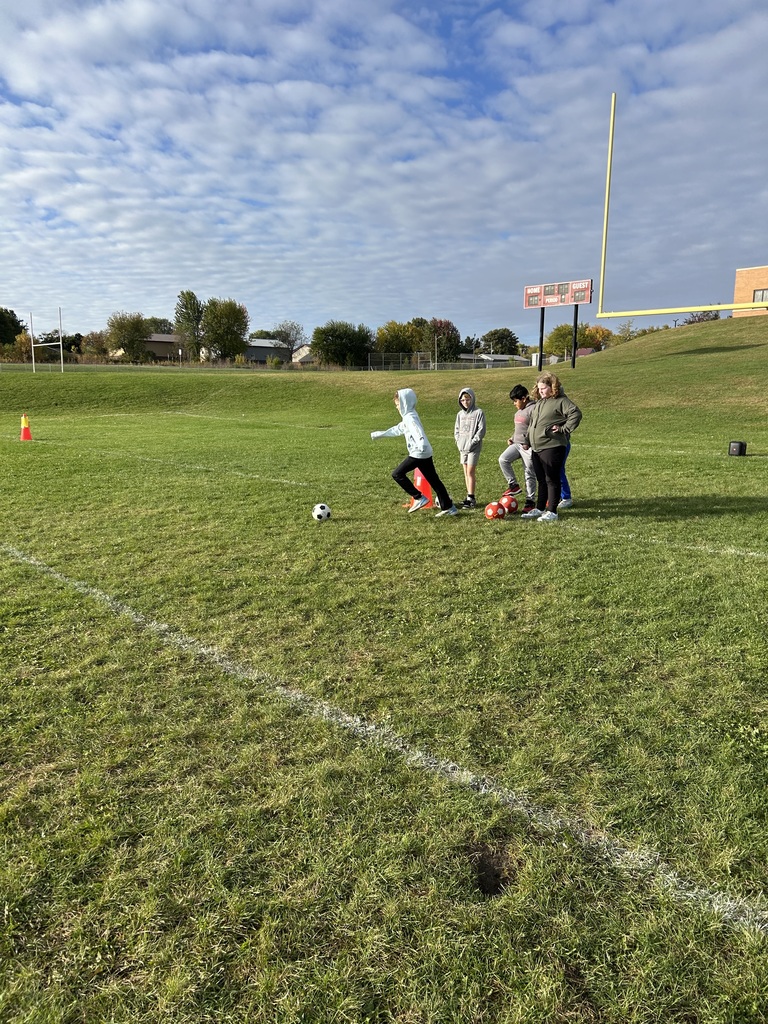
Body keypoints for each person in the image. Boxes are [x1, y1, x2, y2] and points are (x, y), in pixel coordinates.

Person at [371, 388, 458, 516]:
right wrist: (380, 434)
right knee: (434, 481)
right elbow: (398, 429)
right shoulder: (410, 416)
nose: (397, 408)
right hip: (424, 452)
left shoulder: (410, 417)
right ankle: (449, 508)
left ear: (405, 403)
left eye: (398, 404)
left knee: (397, 474)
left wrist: (421, 442)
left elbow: (418, 431)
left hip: (419, 452)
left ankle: (419, 497)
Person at [520, 372, 581, 523]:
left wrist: (563, 429)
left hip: (552, 446)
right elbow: (532, 424)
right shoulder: (540, 402)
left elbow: (575, 413)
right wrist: (527, 439)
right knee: (541, 479)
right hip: (536, 447)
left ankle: (552, 511)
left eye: (544, 388)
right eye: (539, 388)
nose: (540, 391)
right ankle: (540, 508)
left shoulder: (561, 400)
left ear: (552, 387)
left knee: (551, 479)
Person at [498, 384, 537, 514]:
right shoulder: (519, 411)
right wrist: (512, 438)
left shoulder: (533, 409)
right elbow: (519, 429)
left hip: (528, 447)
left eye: (516, 401)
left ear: (524, 398)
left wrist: (528, 442)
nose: (514, 404)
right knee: (503, 459)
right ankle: (513, 485)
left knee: (529, 473)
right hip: (517, 445)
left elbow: (535, 429)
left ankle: (530, 501)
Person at [454, 387, 486, 509]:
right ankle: (468, 496)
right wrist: (458, 442)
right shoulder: (460, 415)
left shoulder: (478, 412)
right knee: (465, 472)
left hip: (473, 448)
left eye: (467, 399)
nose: (465, 402)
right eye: (462, 400)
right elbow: (456, 430)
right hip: (462, 448)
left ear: (471, 399)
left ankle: (471, 497)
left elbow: (481, 431)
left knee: (470, 472)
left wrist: (472, 442)